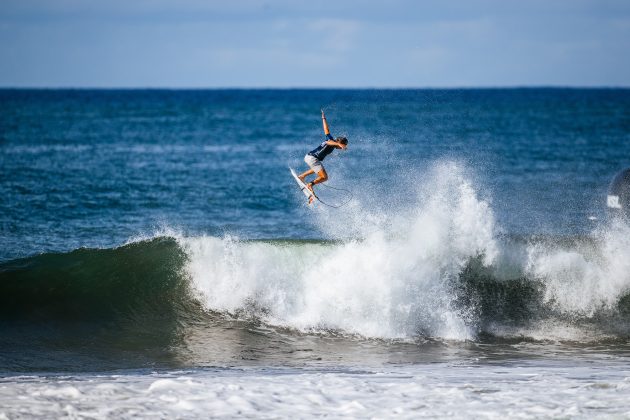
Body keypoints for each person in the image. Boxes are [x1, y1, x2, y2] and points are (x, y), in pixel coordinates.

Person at [298, 110, 348, 204]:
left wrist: (323, 118)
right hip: (313, 158)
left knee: (318, 168)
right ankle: (310, 184)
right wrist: (338, 144)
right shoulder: (332, 143)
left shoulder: (330, 138)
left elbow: (326, 129)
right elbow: (328, 143)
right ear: (340, 143)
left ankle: (302, 176)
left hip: (308, 156)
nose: (343, 148)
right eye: (343, 146)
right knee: (324, 177)